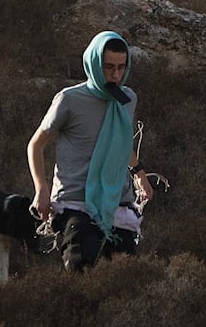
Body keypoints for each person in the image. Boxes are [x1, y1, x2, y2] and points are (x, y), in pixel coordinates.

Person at [26, 30, 154, 271]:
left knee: (125, 275)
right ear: (94, 63)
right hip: (74, 202)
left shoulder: (127, 98)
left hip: (117, 203)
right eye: (109, 67)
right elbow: (36, 144)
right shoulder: (69, 99)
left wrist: (139, 173)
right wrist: (41, 189)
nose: (115, 75)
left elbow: (120, 144)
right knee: (82, 268)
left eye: (121, 67)